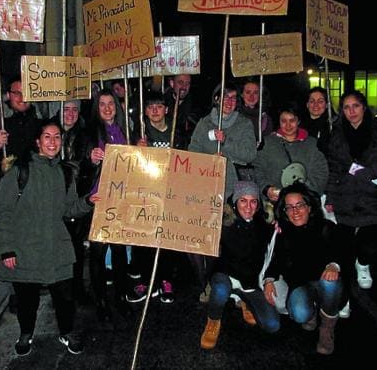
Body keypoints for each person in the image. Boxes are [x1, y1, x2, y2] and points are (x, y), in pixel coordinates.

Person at [0, 120, 97, 356]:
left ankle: (66, 331)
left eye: (57, 137)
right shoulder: (19, 171)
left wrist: (88, 202)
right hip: (25, 247)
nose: (53, 142)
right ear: (38, 141)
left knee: (65, 297)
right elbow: (2, 212)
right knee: (27, 298)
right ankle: (26, 334)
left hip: (56, 246)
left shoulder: (64, 172)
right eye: (47, 137)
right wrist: (7, 249)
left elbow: (68, 210)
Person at [325, 90, 377, 291]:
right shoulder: (337, 135)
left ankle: (363, 264)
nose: (351, 111)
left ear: (364, 107)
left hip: (373, 197)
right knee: (342, 247)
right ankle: (341, 297)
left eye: (355, 106)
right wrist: (330, 196)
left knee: (369, 244)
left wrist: (372, 171)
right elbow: (333, 167)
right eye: (346, 107)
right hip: (346, 195)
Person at [189, 82, 257, 301]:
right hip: (205, 189)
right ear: (216, 99)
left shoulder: (244, 124)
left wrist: (225, 144)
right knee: (198, 240)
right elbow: (193, 151)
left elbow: (249, 154)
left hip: (230, 191)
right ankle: (205, 282)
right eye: (225, 97)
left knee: (222, 241)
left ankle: (224, 283)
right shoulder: (204, 123)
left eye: (234, 98)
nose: (230, 102)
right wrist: (209, 161)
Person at [261, 183, 344, 355]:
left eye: (300, 205)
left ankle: (327, 329)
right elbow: (275, 260)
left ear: (309, 207)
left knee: (331, 282)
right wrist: (269, 280)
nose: (295, 211)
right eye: (289, 207)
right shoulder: (283, 232)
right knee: (299, 314)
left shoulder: (326, 227)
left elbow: (342, 251)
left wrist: (333, 265)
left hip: (324, 282)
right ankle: (311, 312)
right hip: (300, 284)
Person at [200, 181, 274, 350]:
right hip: (226, 275)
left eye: (253, 201)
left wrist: (279, 229)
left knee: (271, 324)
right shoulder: (224, 223)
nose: (248, 206)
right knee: (220, 289)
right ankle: (213, 320)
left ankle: (243, 301)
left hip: (249, 282)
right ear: (235, 201)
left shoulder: (263, 225)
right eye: (243, 200)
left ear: (258, 204)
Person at [126, 92, 181, 304]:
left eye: (159, 106)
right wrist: (136, 151)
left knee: (166, 237)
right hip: (146, 193)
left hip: (170, 192)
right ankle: (146, 281)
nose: (155, 110)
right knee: (144, 236)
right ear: (145, 111)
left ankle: (166, 280)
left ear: (167, 110)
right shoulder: (138, 134)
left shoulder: (177, 133)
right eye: (150, 107)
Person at [84, 89, 133, 320]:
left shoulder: (125, 130)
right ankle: (101, 300)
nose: (106, 108)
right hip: (100, 200)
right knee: (98, 253)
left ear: (117, 106)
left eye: (110, 103)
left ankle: (121, 296)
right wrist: (90, 159)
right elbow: (81, 164)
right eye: (102, 104)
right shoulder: (91, 132)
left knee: (120, 251)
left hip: (121, 199)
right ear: (97, 107)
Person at [253, 102, 328, 204]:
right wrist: (266, 189)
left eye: (292, 120)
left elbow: (321, 173)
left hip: (305, 203)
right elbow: (258, 169)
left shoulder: (312, 144)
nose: (288, 125)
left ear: (298, 121)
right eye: (283, 121)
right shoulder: (267, 143)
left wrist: (305, 192)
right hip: (275, 203)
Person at [56, 100, 91, 304]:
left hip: (76, 195)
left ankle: (77, 288)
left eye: (74, 109)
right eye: (66, 109)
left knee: (76, 247)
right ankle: (60, 289)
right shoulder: (48, 131)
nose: (70, 114)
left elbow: (86, 165)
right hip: (52, 197)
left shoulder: (84, 134)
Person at [0, 76, 42, 172]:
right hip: (8, 181)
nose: (22, 98)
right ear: (8, 95)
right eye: (16, 93)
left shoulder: (38, 119)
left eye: (26, 93)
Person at [164, 74, 198, 148]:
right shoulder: (162, 104)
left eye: (187, 83)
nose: (184, 87)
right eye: (180, 82)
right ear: (172, 83)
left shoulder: (197, 106)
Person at [300, 86, 335, 156]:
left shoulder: (333, 126)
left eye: (320, 101)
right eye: (312, 101)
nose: (316, 105)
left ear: (327, 105)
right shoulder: (298, 125)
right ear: (307, 104)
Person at [239, 79, 274, 147]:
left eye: (255, 93)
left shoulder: (266, 119)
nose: (251, 96)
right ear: (241, 94)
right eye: (248, 92)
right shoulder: (235, 115)